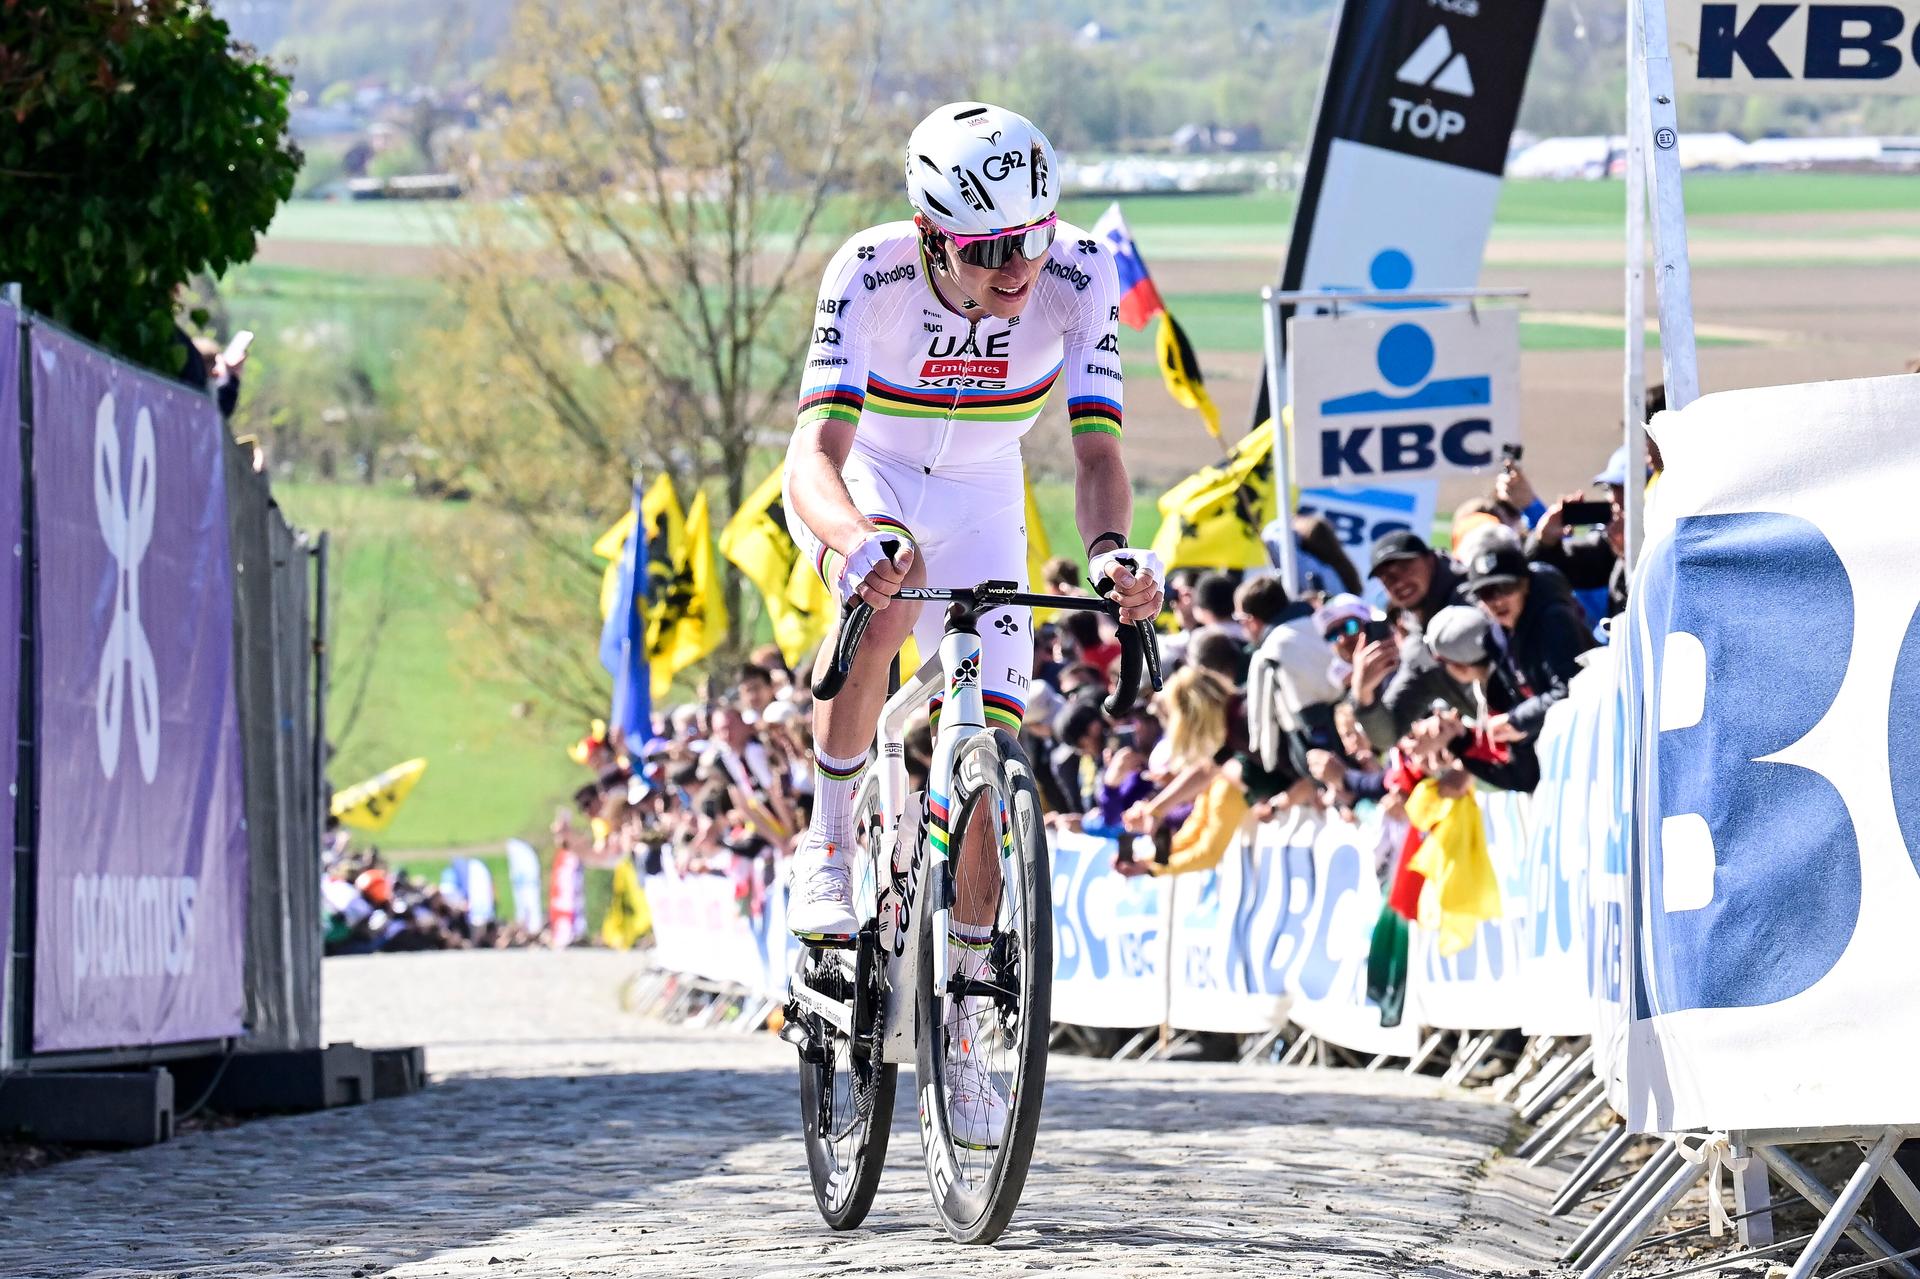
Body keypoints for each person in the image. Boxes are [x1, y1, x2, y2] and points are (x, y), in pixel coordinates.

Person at [781, 101, 1164, 1147]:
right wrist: (854, 541)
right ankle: (823, 844)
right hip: (875, 480)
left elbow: (1094, 460)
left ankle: (966, 1012)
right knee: (892, 591)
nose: (1017, 269)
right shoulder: (870, 271)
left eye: (1032, 238)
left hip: (992, 493)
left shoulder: (1079, 274)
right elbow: (809, 458)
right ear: (930, 235)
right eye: (992, 248)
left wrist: (1111, 555)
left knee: (993, 750)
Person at [1465, 542, 1594, 740]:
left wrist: (1517, 719)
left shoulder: (1554, 619)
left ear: (1525, 584)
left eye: (1506, 587)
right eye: (1487, 592)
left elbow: (1571, 690)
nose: (1498, 601)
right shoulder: (1495, 635)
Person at [1367, 531, 1468, 628]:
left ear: (1430, 560)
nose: (1398, 583)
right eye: (1387, 578)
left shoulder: (1469, 599)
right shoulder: (1398, 615)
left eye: (1404, 569)